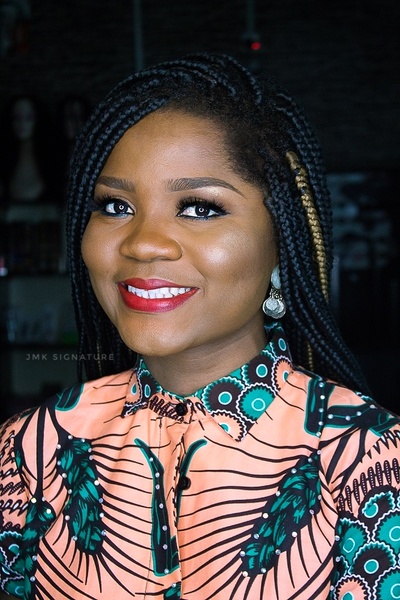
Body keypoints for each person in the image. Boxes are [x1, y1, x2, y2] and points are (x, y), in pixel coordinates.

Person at [0, 53, 399, 600]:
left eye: (199, 208)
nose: (144, 243)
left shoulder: (366, 459)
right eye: (115, 206)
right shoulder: (30, 451)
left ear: (282, 242)